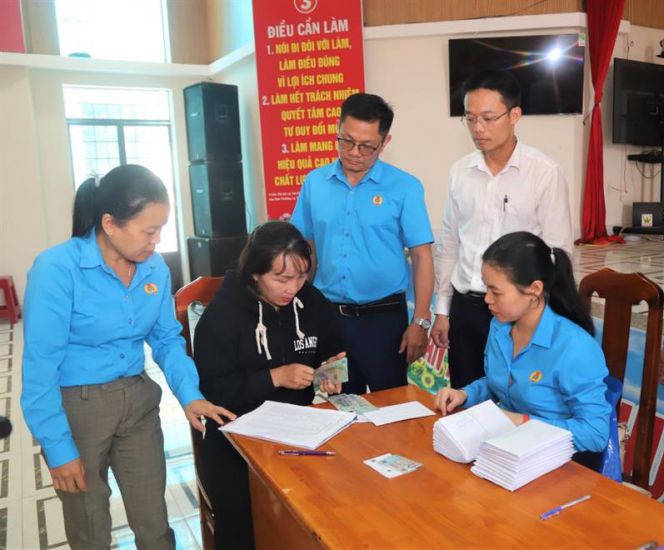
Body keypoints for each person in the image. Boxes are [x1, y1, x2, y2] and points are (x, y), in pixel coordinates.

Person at [21, 164, 235, 549]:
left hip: (138, 402)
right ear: (110, 223)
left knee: (154, 522)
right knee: (90, 528)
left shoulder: (152, 267)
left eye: (160, 231)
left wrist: (190, 393)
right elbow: (39, 369)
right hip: (79, 409)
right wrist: (58, 448)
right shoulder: (57, 269)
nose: (155, 242)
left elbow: (167, 339)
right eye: (148, 231)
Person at [193, 220, 344, 549]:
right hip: (236, 437)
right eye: (282, 278)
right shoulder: (220, 318)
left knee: (332, 507)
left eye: (301, 276)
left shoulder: (311, 301)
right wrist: (275, 377)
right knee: (243, 528)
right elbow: (215, 393)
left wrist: (332, 370)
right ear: (254, 274)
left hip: (298, 429)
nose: (293, 287)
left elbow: (334, 345)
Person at [432, 69, 574, 389]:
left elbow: (558, 251)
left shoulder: (544, 173)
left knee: (517, 402)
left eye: (488, 118)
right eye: (469, 119)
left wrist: (543, 317)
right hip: (467, 309)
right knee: (466, 401)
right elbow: (449, 244)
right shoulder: (460, 172)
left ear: (514, 115)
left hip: (519, 313)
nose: (478, 129)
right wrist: (442, 309)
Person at [291, 92, 435, 394]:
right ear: (338, 129)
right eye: (346, 140)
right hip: (330, 318)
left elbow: (422, 256)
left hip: (384, 321)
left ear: (385, 142)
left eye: (367, 146)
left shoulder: (405, 187)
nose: (354, 152)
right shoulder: (314, 183)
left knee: (393, 408)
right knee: (340, 406)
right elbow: (307, 250)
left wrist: (420, 322)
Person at [434, 231, 609, 454]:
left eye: (496, 292)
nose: (487, 299)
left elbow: (595, 433)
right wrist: (465, 394)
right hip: (507, 451)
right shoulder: (499, 327)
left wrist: (521, 421)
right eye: (486, 288)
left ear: (534, 290)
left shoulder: (575, 347)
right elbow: (500, 385)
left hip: (558, 461)